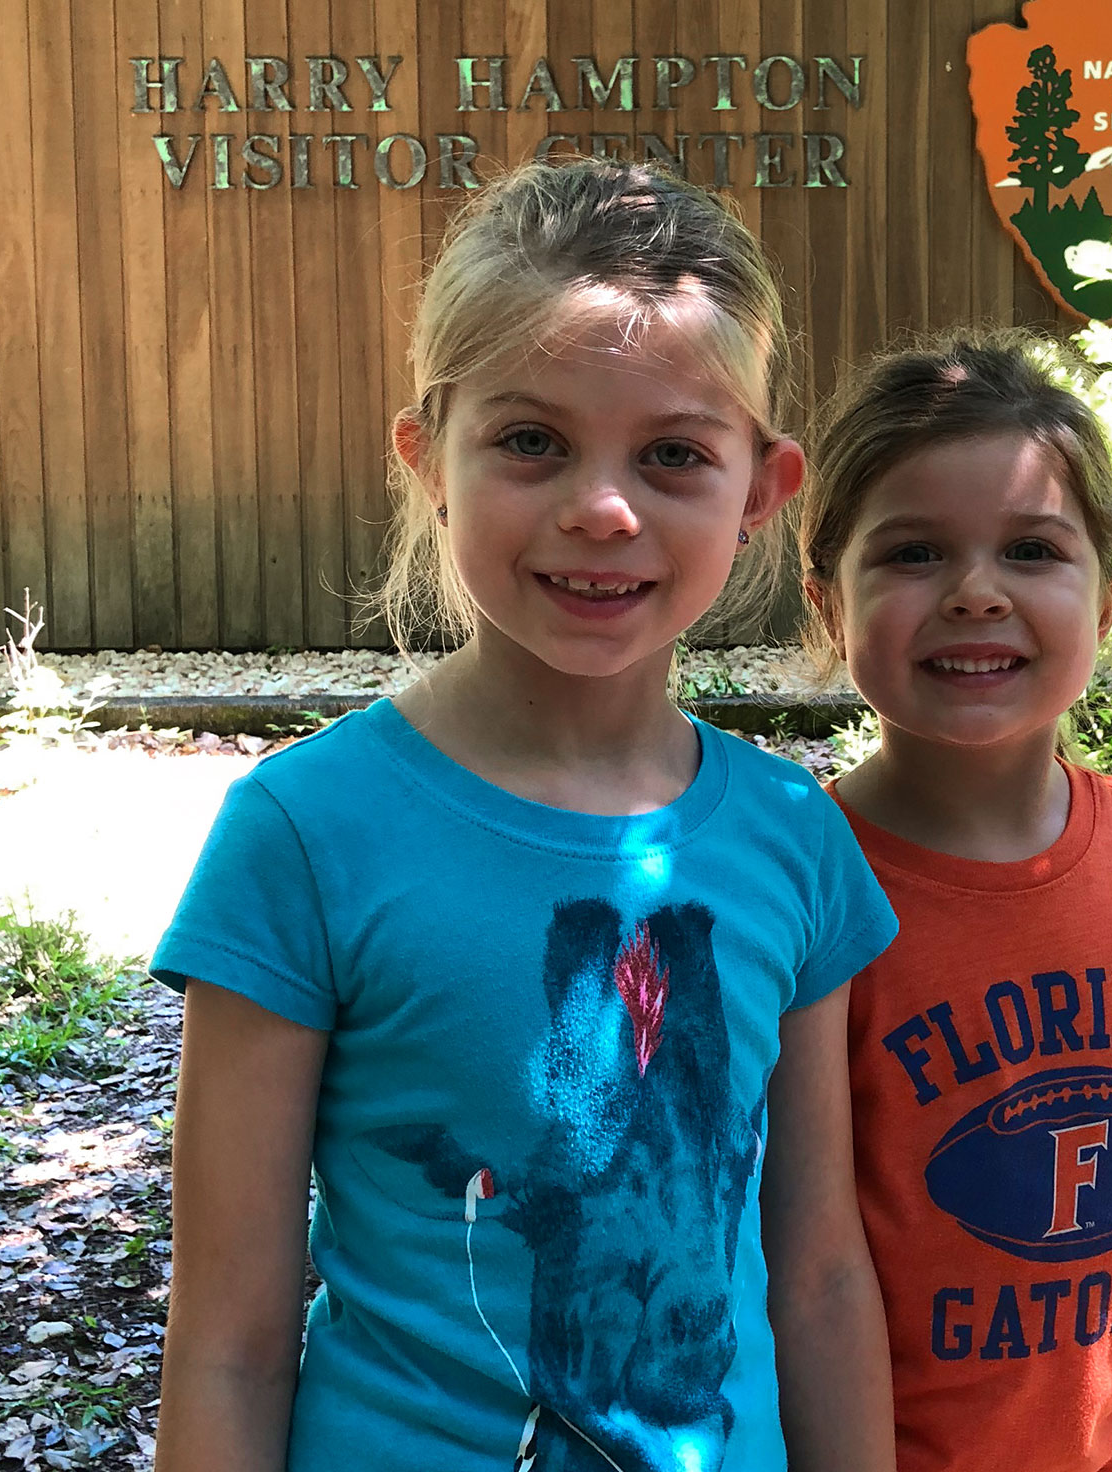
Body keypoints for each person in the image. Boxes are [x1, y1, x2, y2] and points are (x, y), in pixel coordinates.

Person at [151, 160, 899, 1472]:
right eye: (531, 440)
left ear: (762, 492)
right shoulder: (304, 837)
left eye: (673, 454)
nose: (602, 507)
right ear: (427, 457)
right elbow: (228, 1339)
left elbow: (821, 1276)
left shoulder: (795, 837)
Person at [800, 331, 1112, 1472]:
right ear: (827, 605)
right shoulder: (802, 877)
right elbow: (809, 1270)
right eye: (911, 553)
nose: (976, 593)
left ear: (1107, 599)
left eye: (1032, 549)